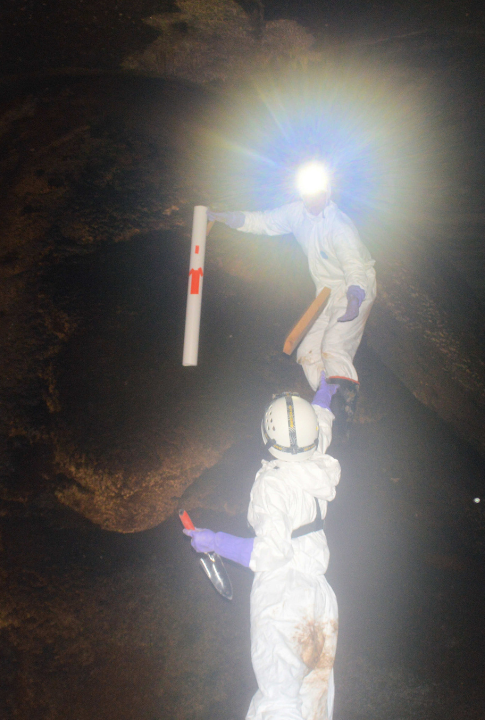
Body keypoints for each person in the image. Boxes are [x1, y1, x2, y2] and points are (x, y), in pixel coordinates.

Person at [184, 374, 342, 720]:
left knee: (279, 699)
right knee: (315, 698)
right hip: (319, 596)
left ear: (266, 436)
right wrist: (324, 397)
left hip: (283, 597)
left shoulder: (273, 485)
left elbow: (271, 553)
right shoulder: (316, 461)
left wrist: (215, 541)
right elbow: (319, 428)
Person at [210, 162, 376, 415]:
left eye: (318, 193)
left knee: (333, 347)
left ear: (327, 193)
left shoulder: (339, 226)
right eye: (308, 193)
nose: (313, 199)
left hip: (354, 287)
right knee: (307, 351)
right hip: (326, 292)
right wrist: (231, 218)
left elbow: (354, 264)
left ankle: (345, 412)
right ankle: (327, 398)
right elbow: (265, 221)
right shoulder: (297, 213)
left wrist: (355, 295)